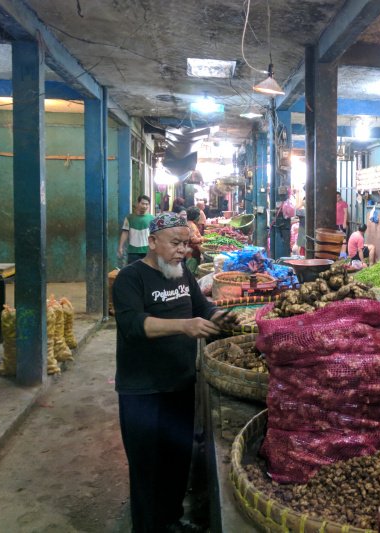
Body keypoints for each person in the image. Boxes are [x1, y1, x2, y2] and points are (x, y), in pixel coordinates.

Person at [112, 212, 237, 533]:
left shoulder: (182, 276)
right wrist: (184, 325)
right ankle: (147, 526)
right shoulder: (131, 278)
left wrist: (219, 316)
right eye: (175, 243)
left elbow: (201, 307)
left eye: (186, 243)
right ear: (152, 242)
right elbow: (132, 326)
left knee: (177, 458)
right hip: (143, 389)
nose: (183, 250)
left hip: (180, 384)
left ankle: (171, 519)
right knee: (147, 466)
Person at [118, 195, 154, 265]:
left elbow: (155, 234)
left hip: (148, 251)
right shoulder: (129, 218)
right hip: (133, 251)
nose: (144, 206)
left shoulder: (152, 218)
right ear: (137, 203)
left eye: (147, 204)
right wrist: (120, 247)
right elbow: (125, 232)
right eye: (142, 203)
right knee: (133, 272)